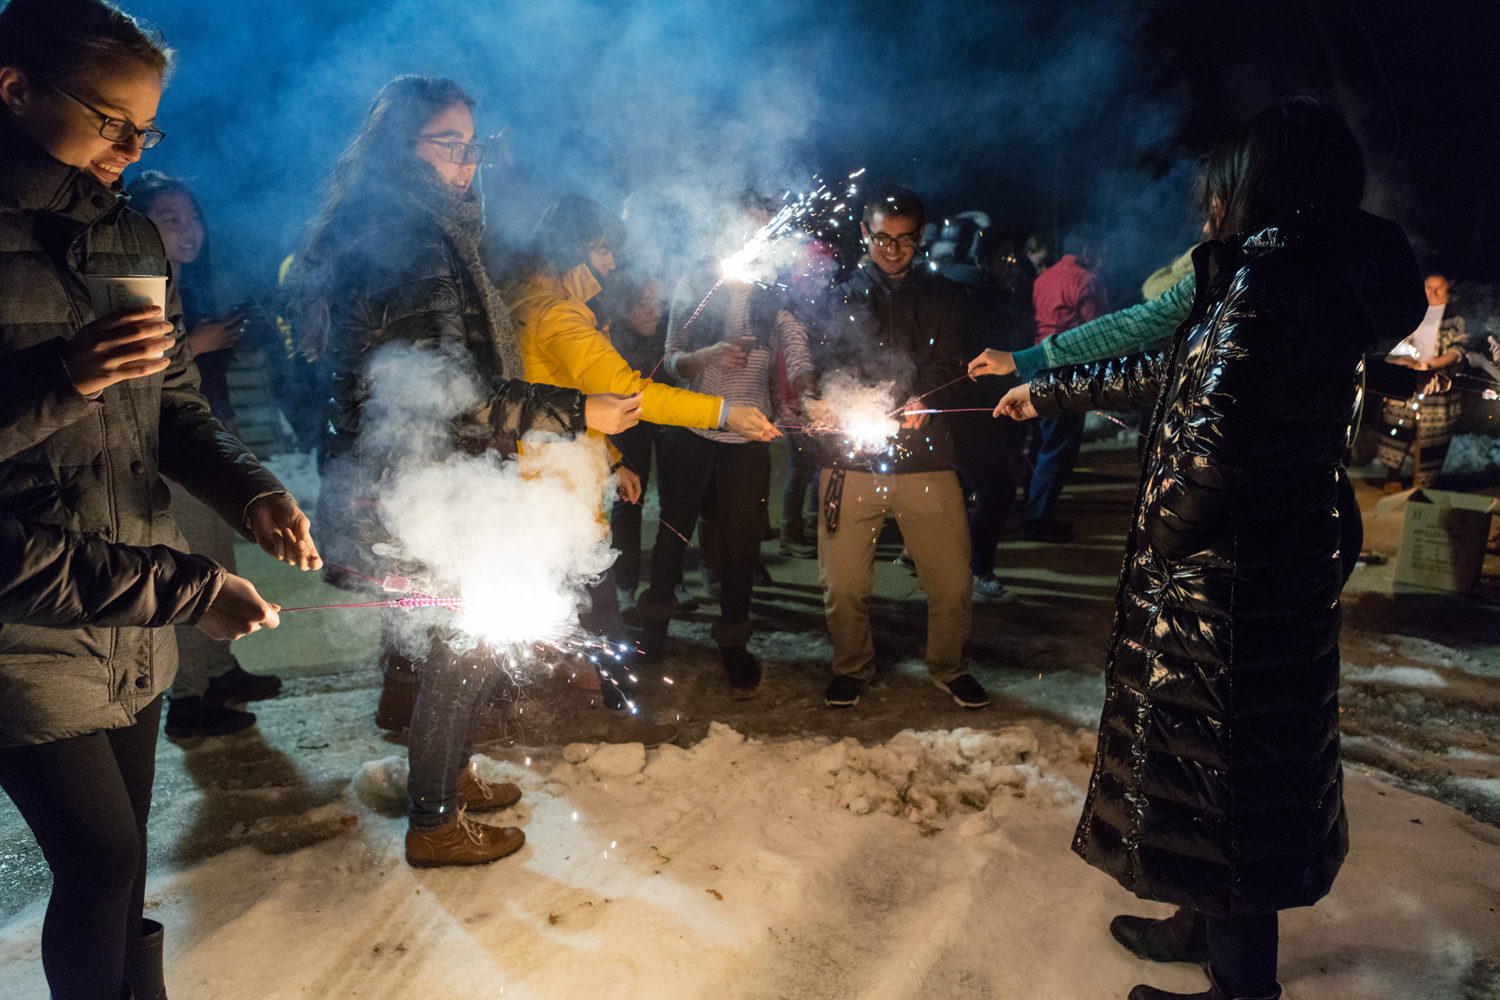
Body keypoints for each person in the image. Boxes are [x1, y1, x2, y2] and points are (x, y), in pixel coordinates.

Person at [993, 97, 1425, 1000]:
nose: (1207, 212)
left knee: (1226, 775)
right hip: (1267, 565)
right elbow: (1175, 367)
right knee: (1217, 769)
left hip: (1228, 581)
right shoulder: (1284, 277)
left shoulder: (1273, 284)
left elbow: (1219, 439)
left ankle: (1241, 988)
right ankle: (1201, 921)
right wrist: (1051, 390)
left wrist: (1165, 531)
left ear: (1263, 185)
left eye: (1218, 193)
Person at [0, 2, 322, 997]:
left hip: (133, 600)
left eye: (148, 129)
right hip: (26, 613)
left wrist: (252, 487)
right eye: (111, 120)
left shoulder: (128, 235)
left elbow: (174, 406)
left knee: (126, 855)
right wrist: (66, 373)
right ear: (14, 87)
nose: (133, 147)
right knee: (95, 862)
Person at [292, 76, 638, 869]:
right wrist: (579, 413)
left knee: (457, 643)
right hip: (420, 486)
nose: (468, 162)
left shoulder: (421, 227)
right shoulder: (410, 238)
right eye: (450, 144)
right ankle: (434, 818)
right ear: (401, 147)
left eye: (474, 145)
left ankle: (450, 774)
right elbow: (450, 393)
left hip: (425, 481)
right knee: (460, 645)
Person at [506, 193, 775, 731]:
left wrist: (610, 459)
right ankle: (616, 710)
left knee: (576, 594)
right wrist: (725, 411)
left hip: (551, 476)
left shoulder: (522, 299)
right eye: (605, 253)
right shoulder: (556, 315)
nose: (611, 266)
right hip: (556, 491)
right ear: (576, 249)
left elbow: (570, 402)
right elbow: (629, 393)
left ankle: (594, 678)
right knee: (591, 599)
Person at [809, 185, 986, 710]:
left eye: (904, 241)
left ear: (920, 238)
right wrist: (822, 398)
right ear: (865, 232)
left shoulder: (947, 297)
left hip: (927, 460)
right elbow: (820, 364)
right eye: (882, 239)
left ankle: (950, 666)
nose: (891, 250)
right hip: (850, 462)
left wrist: (922, 399)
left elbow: (952, 363)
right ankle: (851, 666)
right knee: (842, 588)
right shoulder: (836, 296)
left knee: (952, 585)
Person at [127, 170, 284, 738]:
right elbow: (141, 378)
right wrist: (202, 341)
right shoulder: (132, 284)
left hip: (208, 446)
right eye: (169, 218)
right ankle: (188, 701)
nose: (187, 228)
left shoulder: (188, 285)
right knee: (194, 569)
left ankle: (220, 672)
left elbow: (201, 387)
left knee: (220, 558)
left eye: (191, 217)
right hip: (167, 455)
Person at [635, 190, 809, 694]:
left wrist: (811, 388)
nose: (755, 239)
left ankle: (733, 641)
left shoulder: (775, 294)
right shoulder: (696, 281)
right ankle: (655, 629)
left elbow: (796, 354)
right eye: (746, 228)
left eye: (765, 229)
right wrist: (707, 354)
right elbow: (668, 362)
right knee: (674, 530)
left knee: (739, 542)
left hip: (747, 436)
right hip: (691, 430)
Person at [1018, 222, 1109, 542]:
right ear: (1087, 251)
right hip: (1065, 373)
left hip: (1035, 366)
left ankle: (1032, 510)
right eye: (1101, 251)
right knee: (1058, 448)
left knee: (1042, 444)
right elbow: (1102, 332)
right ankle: (1037, 518)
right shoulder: (1087, 280)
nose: (1103, 257)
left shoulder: (1044, 277)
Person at [1376, 273, 1468, 490]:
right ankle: (1393, 476)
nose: (1433, 293)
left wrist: (1436, 362)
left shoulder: (1456, 317)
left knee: (1431, 437)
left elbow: (1459, 348)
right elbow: (1394, 343)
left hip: (1439, 385)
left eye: (1439, 288)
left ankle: (1423, 484)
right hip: (1408, 377)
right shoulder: (1413, 312)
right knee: (1397, 428)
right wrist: (1407, 361)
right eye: (1429, 287)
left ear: (1449, 286)